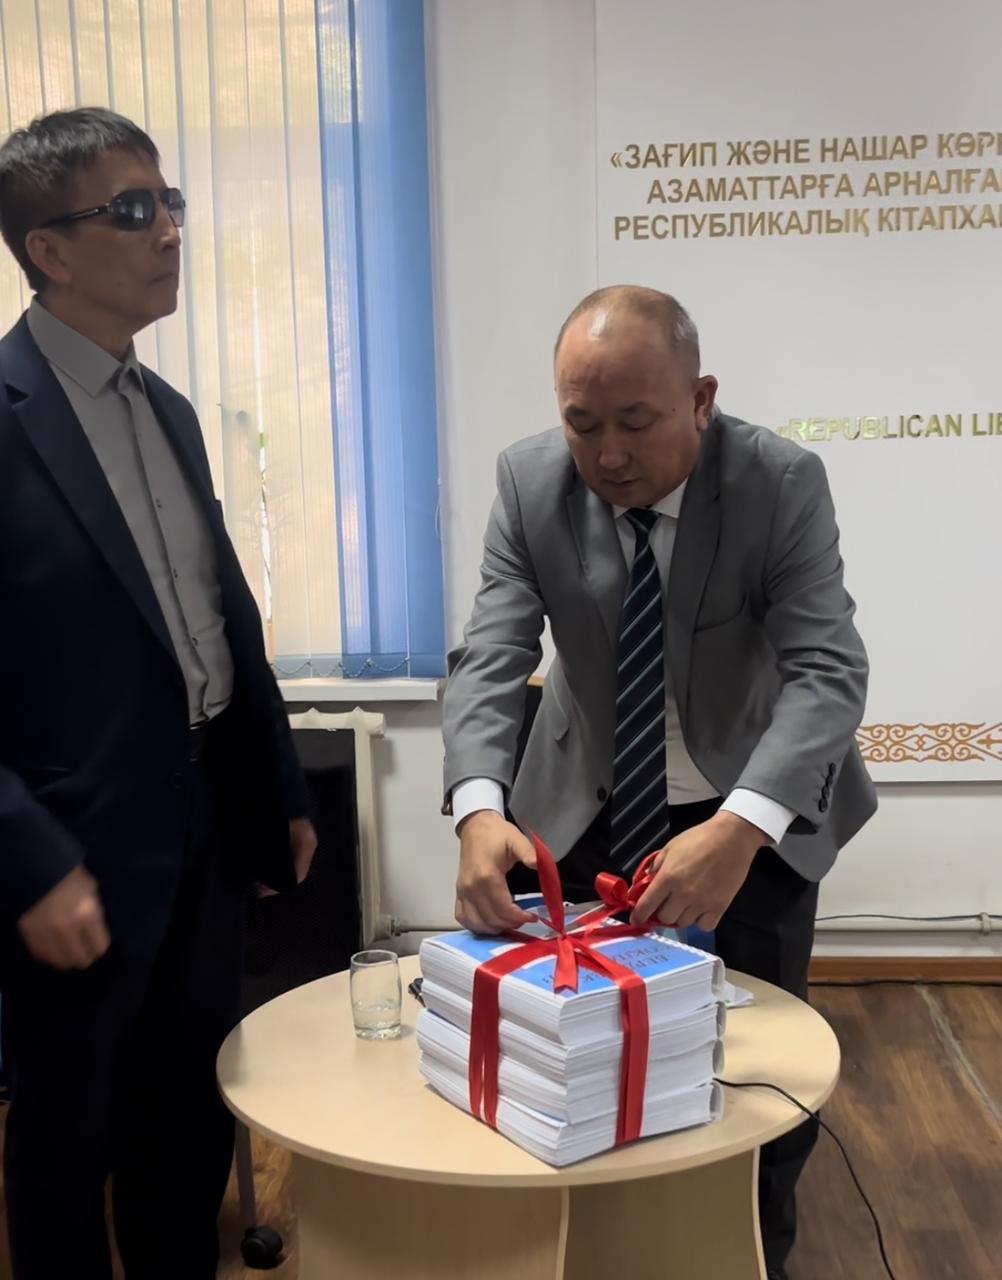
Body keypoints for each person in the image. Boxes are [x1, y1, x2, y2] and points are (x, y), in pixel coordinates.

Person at [442, 284, 876, 1278]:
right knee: (571, 1050)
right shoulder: (530, 482)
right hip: (583, 804)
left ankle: (751, 1248)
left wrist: (740, 829)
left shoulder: (778, 482)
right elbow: (491, 652)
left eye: (635, 422)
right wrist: (476, 809)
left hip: (748, 808)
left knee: (755, 1067)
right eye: (582, 423)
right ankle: (595, 1246)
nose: (607, 455)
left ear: (700, 399)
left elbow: (827, 671)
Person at [0, 107, 317, 1279]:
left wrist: (277, 788)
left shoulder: (168, 409)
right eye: (133, 210)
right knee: (65, 1150)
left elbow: (216, 616)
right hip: (70, 863)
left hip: (203, 830)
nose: (170, 230)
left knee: (185, 1128)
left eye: (169, 201)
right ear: (49, 249)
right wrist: (28, 859)